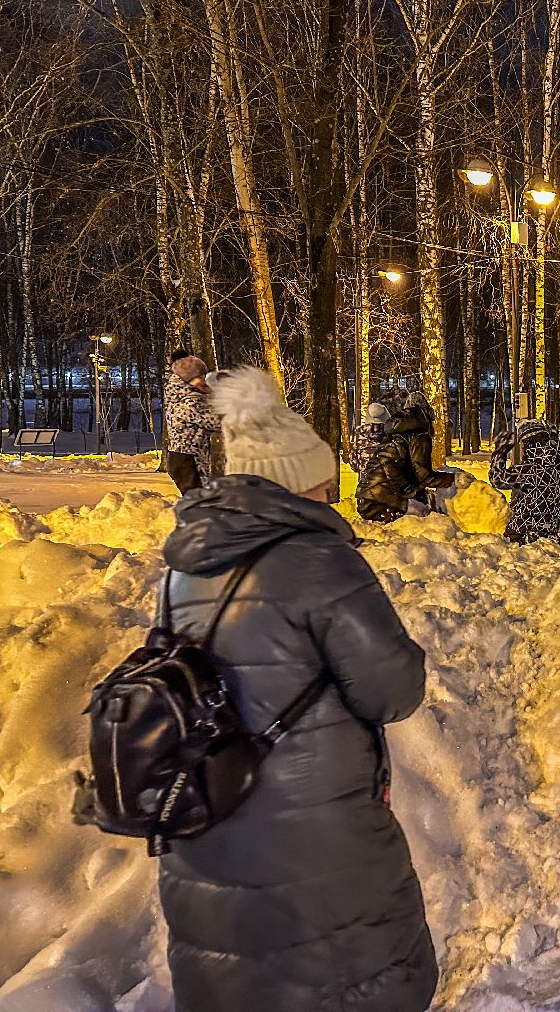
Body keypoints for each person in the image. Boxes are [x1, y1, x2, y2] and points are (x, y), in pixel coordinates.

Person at [156, 367, 437, 1012]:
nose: (333, 491)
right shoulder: (317, 560)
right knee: (344, 978)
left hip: (210, 819)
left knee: (243, 978)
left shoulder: (186, 566)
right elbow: (393, 690)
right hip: (312, 830)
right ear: (292, 480)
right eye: (324, 479)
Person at [355, 392, 453, 523]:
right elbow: (423, 475)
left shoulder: (396, 434)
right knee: (428, 518)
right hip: (383, 503)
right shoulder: (419, 435)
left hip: (367, 500)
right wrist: (451, 479)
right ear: (426, 415)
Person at [489, 418, 560, 544]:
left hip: (523, 529)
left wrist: (500, 451)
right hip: (551, 527)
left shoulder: (530, 470)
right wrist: (554, 440)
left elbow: (497, 479)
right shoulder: (559, 466)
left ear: (528, 443)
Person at [163, 351, 220, 494]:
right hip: (188, 461)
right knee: (199, 503)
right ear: (188, 378)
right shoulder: (191, 402)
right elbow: (218, 422)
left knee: (198, 502)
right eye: (200, 377)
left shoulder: (177, 396)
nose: (203, 381)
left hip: (182, 458)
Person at [350, 401, 392, 475]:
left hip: (366, 482)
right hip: (388, 483)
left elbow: (353, 462)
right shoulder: (392, 436)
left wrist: (362, 468)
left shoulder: (361, 436)